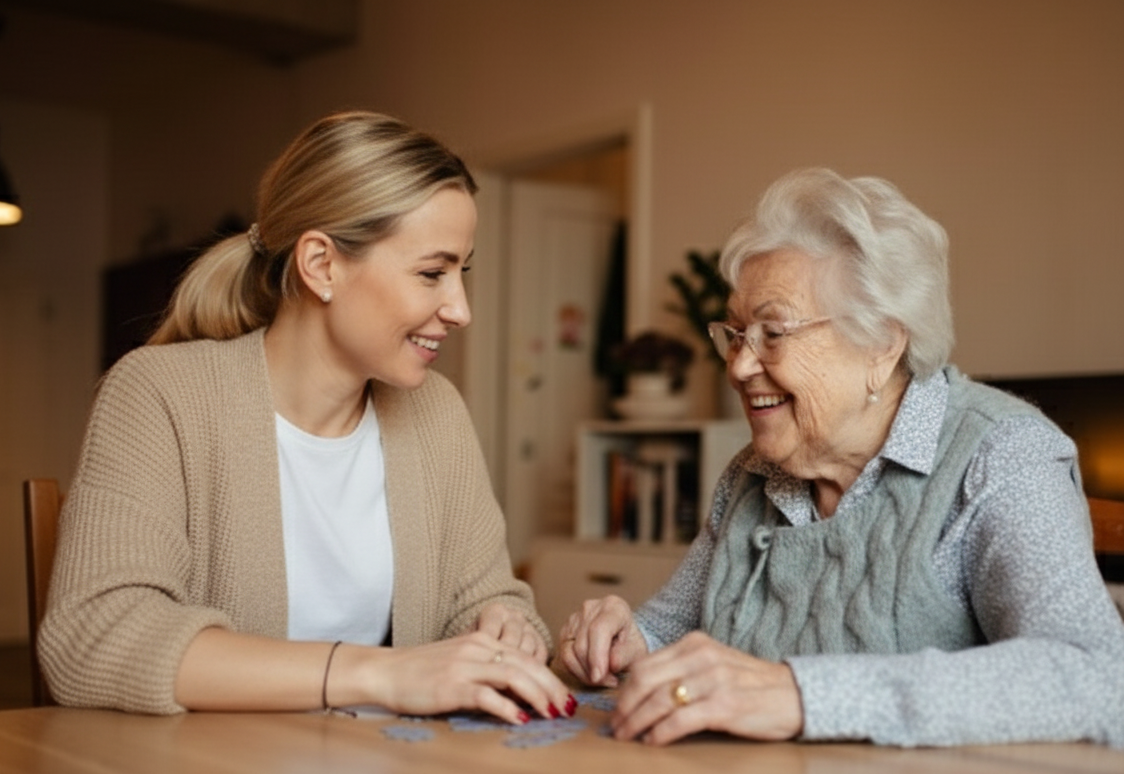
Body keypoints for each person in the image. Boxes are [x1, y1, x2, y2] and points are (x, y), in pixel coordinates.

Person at [39, 110, 576, 723]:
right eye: (432, 273)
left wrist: (505, 629)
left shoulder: (436, 412)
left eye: (462, 272)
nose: (460, 309)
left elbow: (486, 600)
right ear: (321, 264)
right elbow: (92, 636)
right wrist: (376, 673)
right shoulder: (160, 393)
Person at [558, 167, 1124, 747]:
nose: (739, 366)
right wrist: (626, 640)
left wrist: (800, 695)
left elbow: (1098, 675)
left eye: (773, 333)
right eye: (736, 333)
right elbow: (670, 628)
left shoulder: (1000, 456)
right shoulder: (753, 473)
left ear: (881, 343)